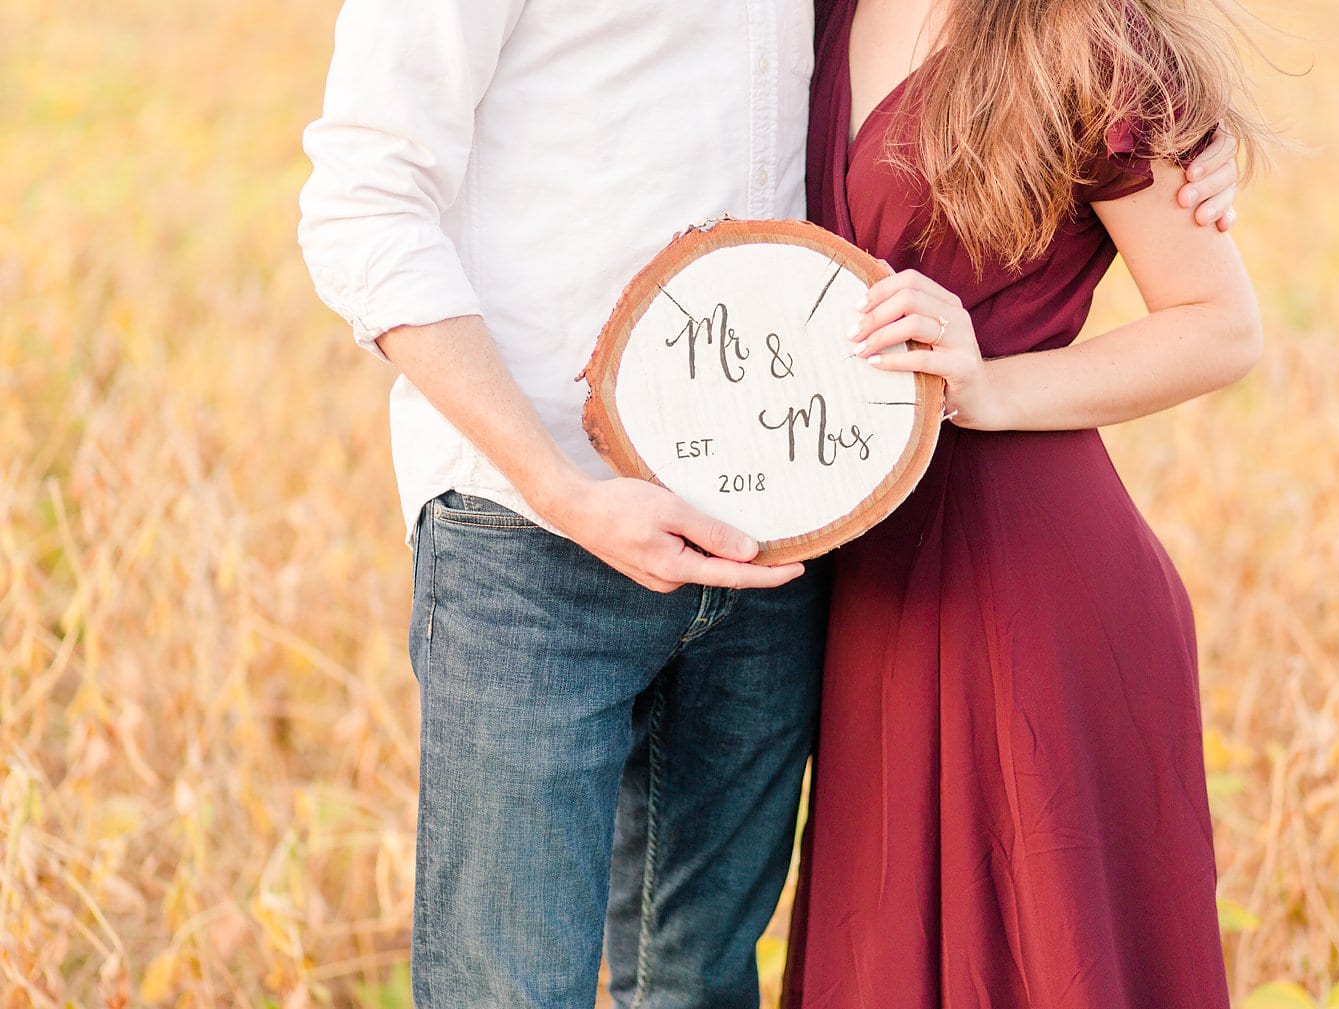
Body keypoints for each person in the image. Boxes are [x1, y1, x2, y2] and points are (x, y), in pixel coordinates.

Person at [296, 2, 1241, 1006]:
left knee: (706, 980)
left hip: (817, 553)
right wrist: (561, 490)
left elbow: (1189, 282)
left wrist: (1165, 121)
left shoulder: (1047, 35)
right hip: (542, 535)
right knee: (513, 990)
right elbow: (363, 200)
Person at [783, 1, 1267, 1007]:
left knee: (1047, 958)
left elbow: (1219, 324)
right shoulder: (809, 16)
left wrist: (988, 390)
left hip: (1025, 580)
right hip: (868, 573)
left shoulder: (1087, 38)